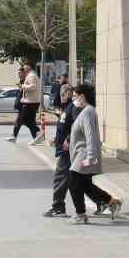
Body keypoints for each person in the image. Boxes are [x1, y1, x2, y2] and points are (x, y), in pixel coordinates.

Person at [66, 84, 120, 224]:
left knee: (73, 182)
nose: (73, 99)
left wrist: (90, 157)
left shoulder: (88, 112)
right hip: (81, 153)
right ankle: (111, 202)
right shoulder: (86, 111)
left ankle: (81, 214)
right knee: (84, 184)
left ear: (82, 96)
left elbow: (91, 135)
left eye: (75, 96)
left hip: (84, 154)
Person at [43, 90, 81, 218]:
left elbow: (77, 126)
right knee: (74, 180)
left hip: (68, 149)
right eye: (61, 93)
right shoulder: (68, 107)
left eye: (64, 93)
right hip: (65, 148)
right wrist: (56, 138)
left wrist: (69, 139)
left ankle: (58, 207)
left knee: (61, 177)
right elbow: (64, 126)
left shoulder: (74, 107)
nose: (61, 96)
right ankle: (103, 201)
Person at [10, 61, 43, 145]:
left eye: (25, 66)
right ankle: (37, 135)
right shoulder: (31, 75)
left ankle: (38, 133)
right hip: (30, 101)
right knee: (29, 120)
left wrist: (23, 86)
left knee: (24, 119)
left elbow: (33, 86)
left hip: (31, 102)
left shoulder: (31, 76)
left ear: (29, 66)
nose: (24, 68)